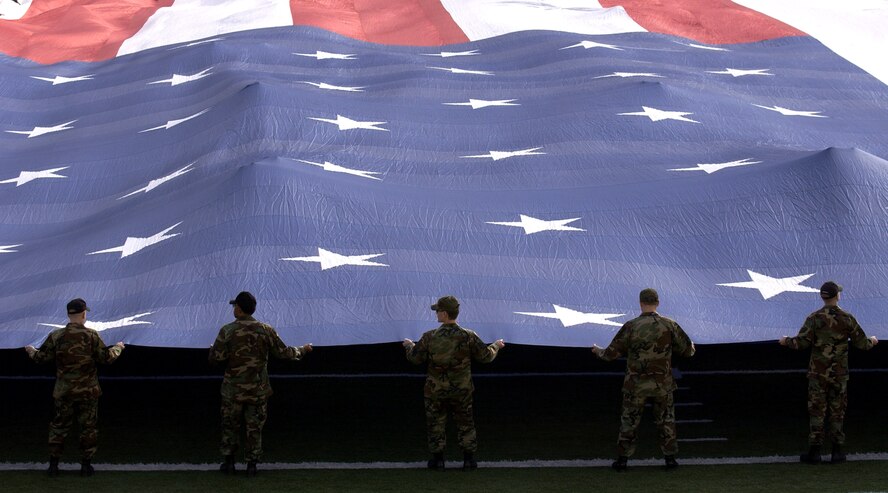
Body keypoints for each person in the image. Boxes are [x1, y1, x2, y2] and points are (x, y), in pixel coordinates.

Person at [209, 291, 312, 477]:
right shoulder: (265, 330)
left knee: (230, 426)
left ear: (239, 309)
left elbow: (216, 358)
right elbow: (284, 352)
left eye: (235, 306)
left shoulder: (227, 331)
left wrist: (215, 350)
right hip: (257, 390)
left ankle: (229, 464)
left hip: (233, 391)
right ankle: (252, 466)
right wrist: (302, 350)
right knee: (254, 427)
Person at [592, 288, 695, 471]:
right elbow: (688, 351)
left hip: (636, 385)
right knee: (666, 421)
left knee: (629, 422)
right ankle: (670, 459)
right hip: (662, 385)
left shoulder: (632, 326)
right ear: (658, 302)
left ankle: (622, 460)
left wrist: (597, 351)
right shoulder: (669, 325)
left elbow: (610, 354)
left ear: (641, 303)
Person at [779, 281, 878, 464]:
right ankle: (837, 451)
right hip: (839, 374)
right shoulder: (847, 318)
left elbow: (801, 343)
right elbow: (862, 343)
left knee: (817, 411)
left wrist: (786, 341)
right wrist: (872, 341)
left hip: (818, 374)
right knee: (837, 411)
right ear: (837, 296)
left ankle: (815, 452)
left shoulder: (814, 318)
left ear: (822, 296)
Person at [24, 298, 125, 477]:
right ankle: (86, 466)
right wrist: (118, 348)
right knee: (88, 428)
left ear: (68, 314)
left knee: (59, 427)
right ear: (84, 314)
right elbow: (107, 359)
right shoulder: (92, 336)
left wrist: (31, 350)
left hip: (64, 392)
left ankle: (53, 466)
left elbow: (41, 358)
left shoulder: (57, 336)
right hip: (88, 392)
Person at [403, 295, 505, 471]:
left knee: (436, 423)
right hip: (462, 390)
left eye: (437, 311)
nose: (436, 314)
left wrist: (409, 346)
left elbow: (415, 358)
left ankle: (438, 460)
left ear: (444, 313)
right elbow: (486, 356)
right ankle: (468, 460)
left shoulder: (430, 337)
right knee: (466, 423)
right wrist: (495, 345)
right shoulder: (468, 336)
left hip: (435, 390)